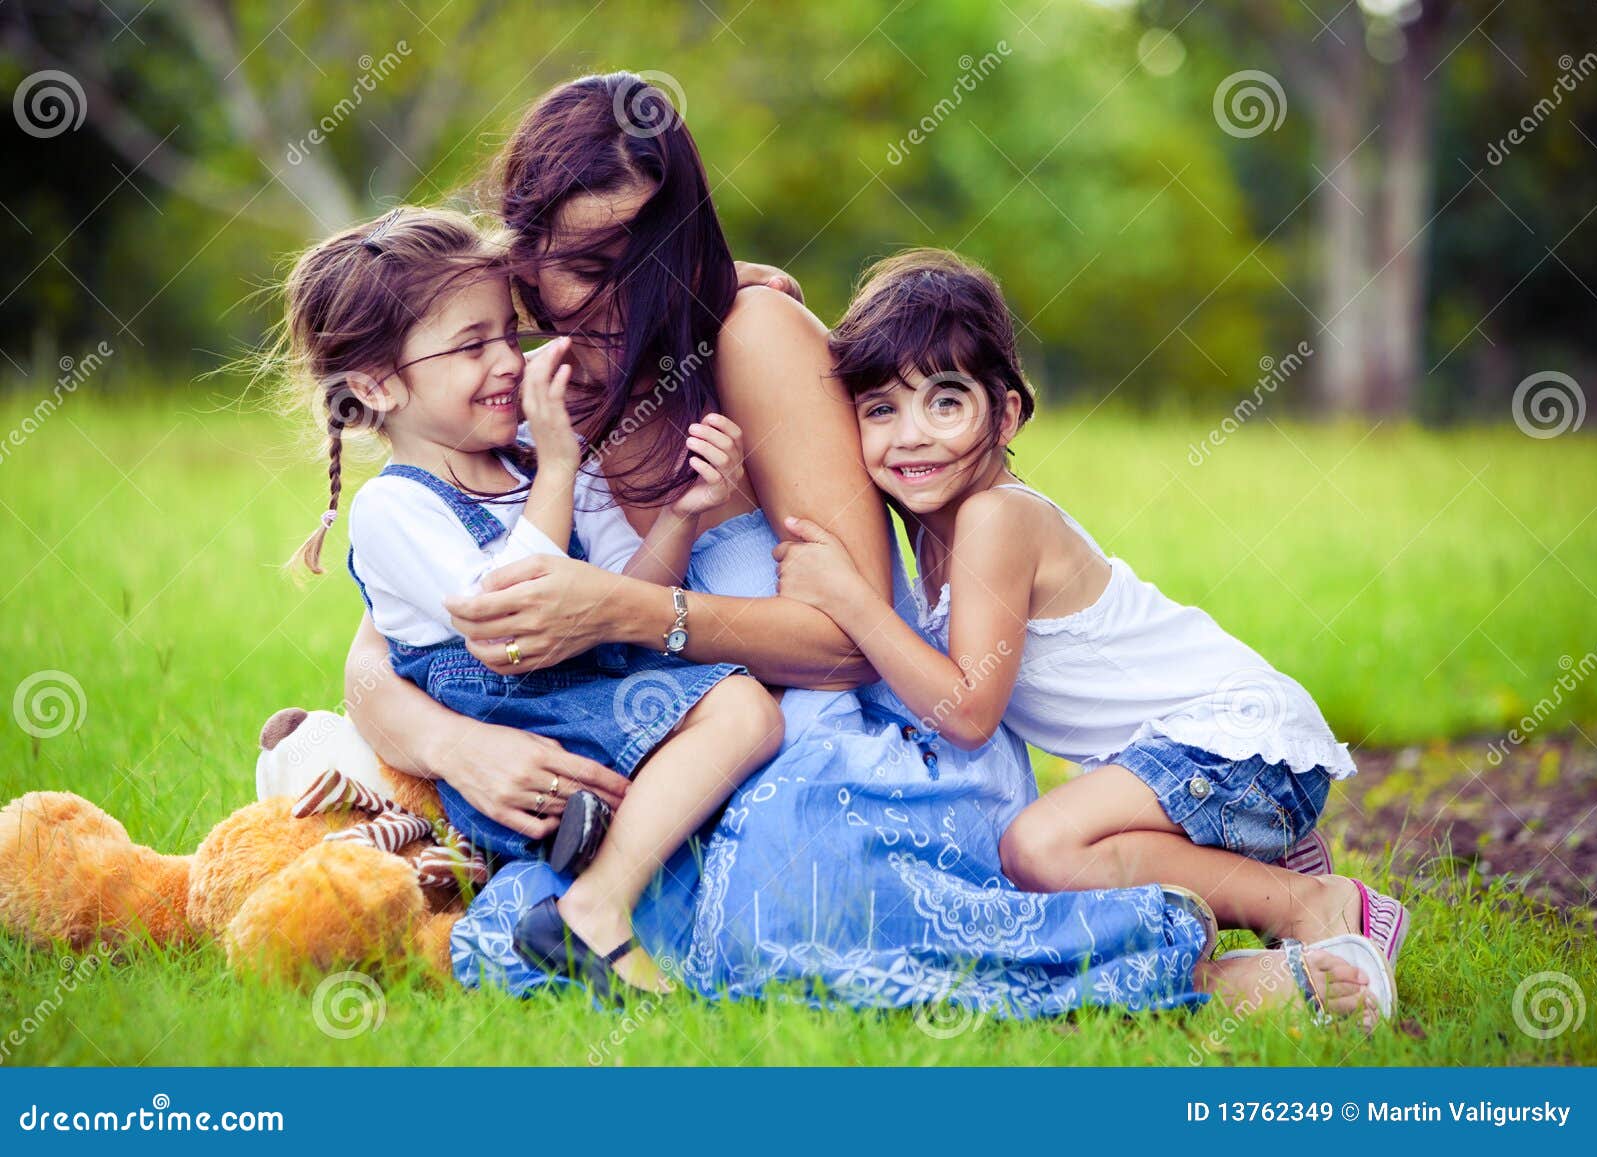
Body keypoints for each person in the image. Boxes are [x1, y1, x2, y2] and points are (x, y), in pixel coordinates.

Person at [341, 74, 1387, 1028]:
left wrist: (625, 612)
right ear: (524, 266)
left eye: (645, 265)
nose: (611, 298)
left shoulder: (748, 341)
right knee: (549, 925)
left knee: (788, 889)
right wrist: (452, 745)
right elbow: (387, 644)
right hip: (699, 757)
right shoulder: (529, 386)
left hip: (863, 739)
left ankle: (1195, 966)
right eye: (577, 269)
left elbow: (843, 644)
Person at [773, 248, 1407, 977]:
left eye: (944, 402)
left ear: (1006, 412)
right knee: (1058, 846)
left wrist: (848, 598)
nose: (910, 433)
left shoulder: (994, 519)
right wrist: (762, 287)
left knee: (1037, 847)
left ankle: (1313, 905)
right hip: (1199, 760)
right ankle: (1251, 864)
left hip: (1239, 745)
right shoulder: (930, 516)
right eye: (880, 408)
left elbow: (970, 709)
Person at [280, 205, 781, 995]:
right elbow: (508, 624)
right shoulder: (394, 508)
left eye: (508, 334)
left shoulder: (531, 464)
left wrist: (683, 515)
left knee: (740, 745)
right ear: (377, 383)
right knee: (746, 712)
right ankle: (596, 904)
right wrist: (556, 467)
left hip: (591, 697)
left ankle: (566, 911)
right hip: (526, 727)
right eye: (471, 344)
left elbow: (630, 596)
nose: (509, 360)